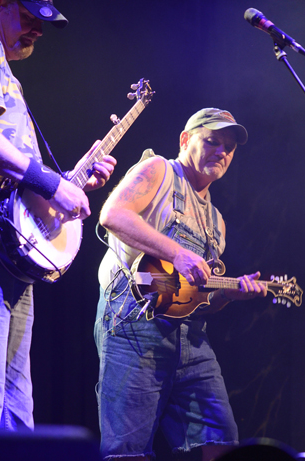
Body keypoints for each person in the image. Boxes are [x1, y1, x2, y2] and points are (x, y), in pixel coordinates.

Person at [0, 0, 116, 431]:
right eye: (29, 16)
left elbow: (9, 178)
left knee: (15, 416)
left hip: (9, 257)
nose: (37, 30)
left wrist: (69, 184)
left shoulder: (6, 74)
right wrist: (52, 185)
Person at [95, 108, 267, 461]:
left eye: (229, 148)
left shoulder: (215, 222)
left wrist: (228, 295)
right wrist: (177, 253)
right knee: (127, 451)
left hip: (190, 337)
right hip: (134, 322)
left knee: (221, 439)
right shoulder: (158, 170)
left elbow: (200, 299)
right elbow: (113, 215)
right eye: (212, 141)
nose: (222, 152)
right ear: (185, 140)